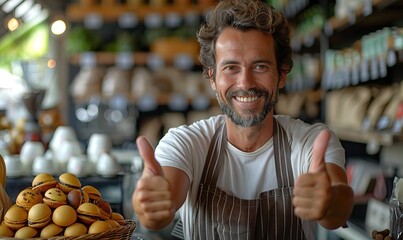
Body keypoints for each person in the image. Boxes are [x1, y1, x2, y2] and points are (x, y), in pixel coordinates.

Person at [132, 0, 354, 239]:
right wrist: (150, 205)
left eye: (259, 66)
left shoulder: (311, 143)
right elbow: (157, 211)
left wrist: (329, 201)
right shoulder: (186, 143)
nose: (245, 83)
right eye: (230, 68)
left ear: (281, 75)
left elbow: (338, 209)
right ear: (212, 79)